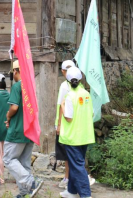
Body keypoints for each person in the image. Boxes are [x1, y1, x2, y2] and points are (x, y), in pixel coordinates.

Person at [3, 60, 43, 198]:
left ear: (16, 71)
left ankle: (31, 182)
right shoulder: (31, 86)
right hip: (29, 129)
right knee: (24, 162)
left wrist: (8, 116)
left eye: (13, 72)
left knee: (8, 159)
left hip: (17, 130)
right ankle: (25, 192)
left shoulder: (17, 86)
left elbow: (14, 107)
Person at [59, 67, 95, 198]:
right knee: (76, 163)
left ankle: (86, 194)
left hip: (72, 137)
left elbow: (68, 118)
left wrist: (62, 105)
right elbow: (91, 113)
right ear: (80, 80)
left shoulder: (69, 96)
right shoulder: (86, 94)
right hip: (84, 135)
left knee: (78, 165)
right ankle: (72, 191)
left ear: (68, 81)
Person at [56, 60, 75, 189]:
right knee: (72, 154)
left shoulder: (64, 85)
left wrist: (59, 125)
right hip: (75, 124)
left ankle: (67, 178)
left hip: (65, 124)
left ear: (63, 71)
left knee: (67, 154)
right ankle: (68, 178)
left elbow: (60, 106)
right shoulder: (80, 86)